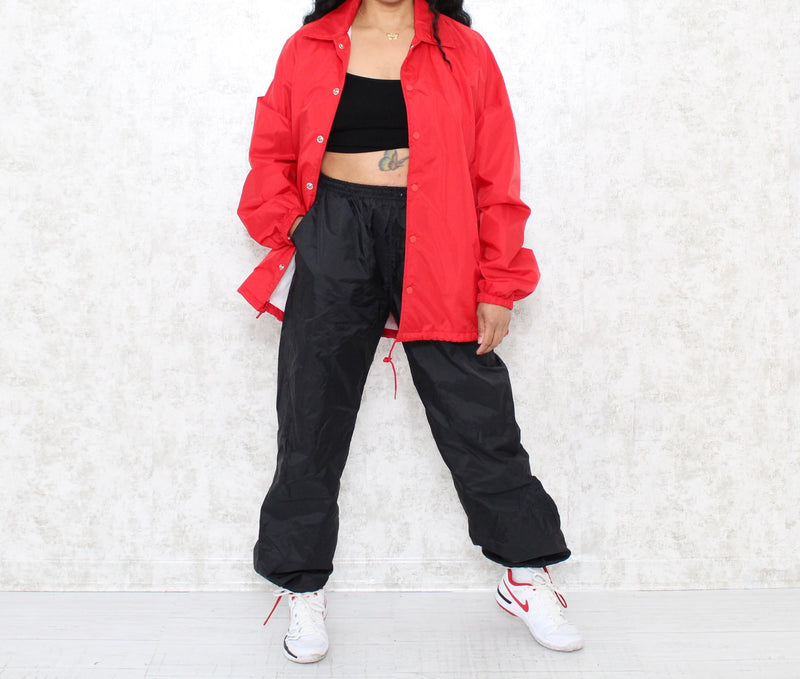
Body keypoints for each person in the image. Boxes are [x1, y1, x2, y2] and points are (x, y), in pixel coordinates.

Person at [236, 0, 583, 663]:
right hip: (334, 228)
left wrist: (498, 283)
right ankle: (302, 586)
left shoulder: (463, 51)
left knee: (475, 411)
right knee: (311, 411)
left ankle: (525, 573)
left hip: (439, 231)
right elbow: (271, 152)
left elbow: (496, 172)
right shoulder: (310, 47)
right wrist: (304, 230)